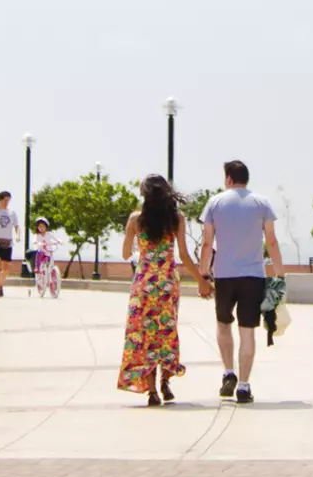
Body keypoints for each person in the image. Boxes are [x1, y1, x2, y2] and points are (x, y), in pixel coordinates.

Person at [198, 159, 283, 404]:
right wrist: (280, 274)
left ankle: (228, 373)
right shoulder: (262, 203)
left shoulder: (215, 202)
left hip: (224, 275)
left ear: (228, 178)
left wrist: (204, 273)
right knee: (247, 331)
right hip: (253, 276)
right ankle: (244, 386)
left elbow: (207, 242)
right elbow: (271, 241)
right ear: (246, 178)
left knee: (223, 323)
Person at [118, 174, 195, 405]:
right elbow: (184, 254)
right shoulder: (176, 219)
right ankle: (165, 381)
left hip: (144, 282)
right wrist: (201, 280)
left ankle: (152, 391)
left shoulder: (136, 219)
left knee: (145, 334)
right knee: (166, 330)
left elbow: (125, 254)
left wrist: (136, 242)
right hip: (167, 282)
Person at [32, 217, 60, 299]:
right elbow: (34, 241)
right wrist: (37, 243)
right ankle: (37, 267)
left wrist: (58, 241)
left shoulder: (49, 234)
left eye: (43, 226)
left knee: (49, 264)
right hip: (41, 253)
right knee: (39, 253)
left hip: (48, 253)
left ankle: (51, 277)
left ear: (46, 227)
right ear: (37, 227)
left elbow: (55, 239)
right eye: (40, 226)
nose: (41, 228)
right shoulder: (37, 235)